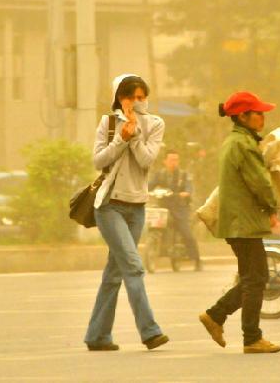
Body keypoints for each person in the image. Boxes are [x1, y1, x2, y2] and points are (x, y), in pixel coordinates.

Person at [84, 74, 169, 352]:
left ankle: (98, 336)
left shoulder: (155, 124)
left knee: (114, 273)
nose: (137, 102)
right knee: (133, 266)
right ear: (120, 98)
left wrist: (134, 136)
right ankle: (150, 332)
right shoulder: (108, 123)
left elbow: (146, 160)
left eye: (142, 96)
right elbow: (99, 160)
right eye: (131, 97)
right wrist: (121, 137)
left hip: (137, 207)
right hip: (109, 206)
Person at [199, 91, 280, 354]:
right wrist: (272, 206)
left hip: (239, 222)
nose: (263, 117)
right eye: (258, 113)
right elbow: (261, 183)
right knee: (256, 278)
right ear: (243, 116)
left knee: (253, 277)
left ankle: (216, 315)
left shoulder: (235, 141)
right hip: (242, 223)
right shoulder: (244, 145)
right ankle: (251, 337)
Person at [149, 149, 203, 271]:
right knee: (153, 223)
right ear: (165, 161)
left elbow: (189, 187)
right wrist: (144, 191)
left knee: (186, 232)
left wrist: (186, 193)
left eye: (176, 159)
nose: (174, 162)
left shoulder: (183, 175)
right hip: (163, 206)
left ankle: (197, 259)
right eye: (171, 159)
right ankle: (158, 247)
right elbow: (150, 185)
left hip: (179, 208)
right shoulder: (159, 174)